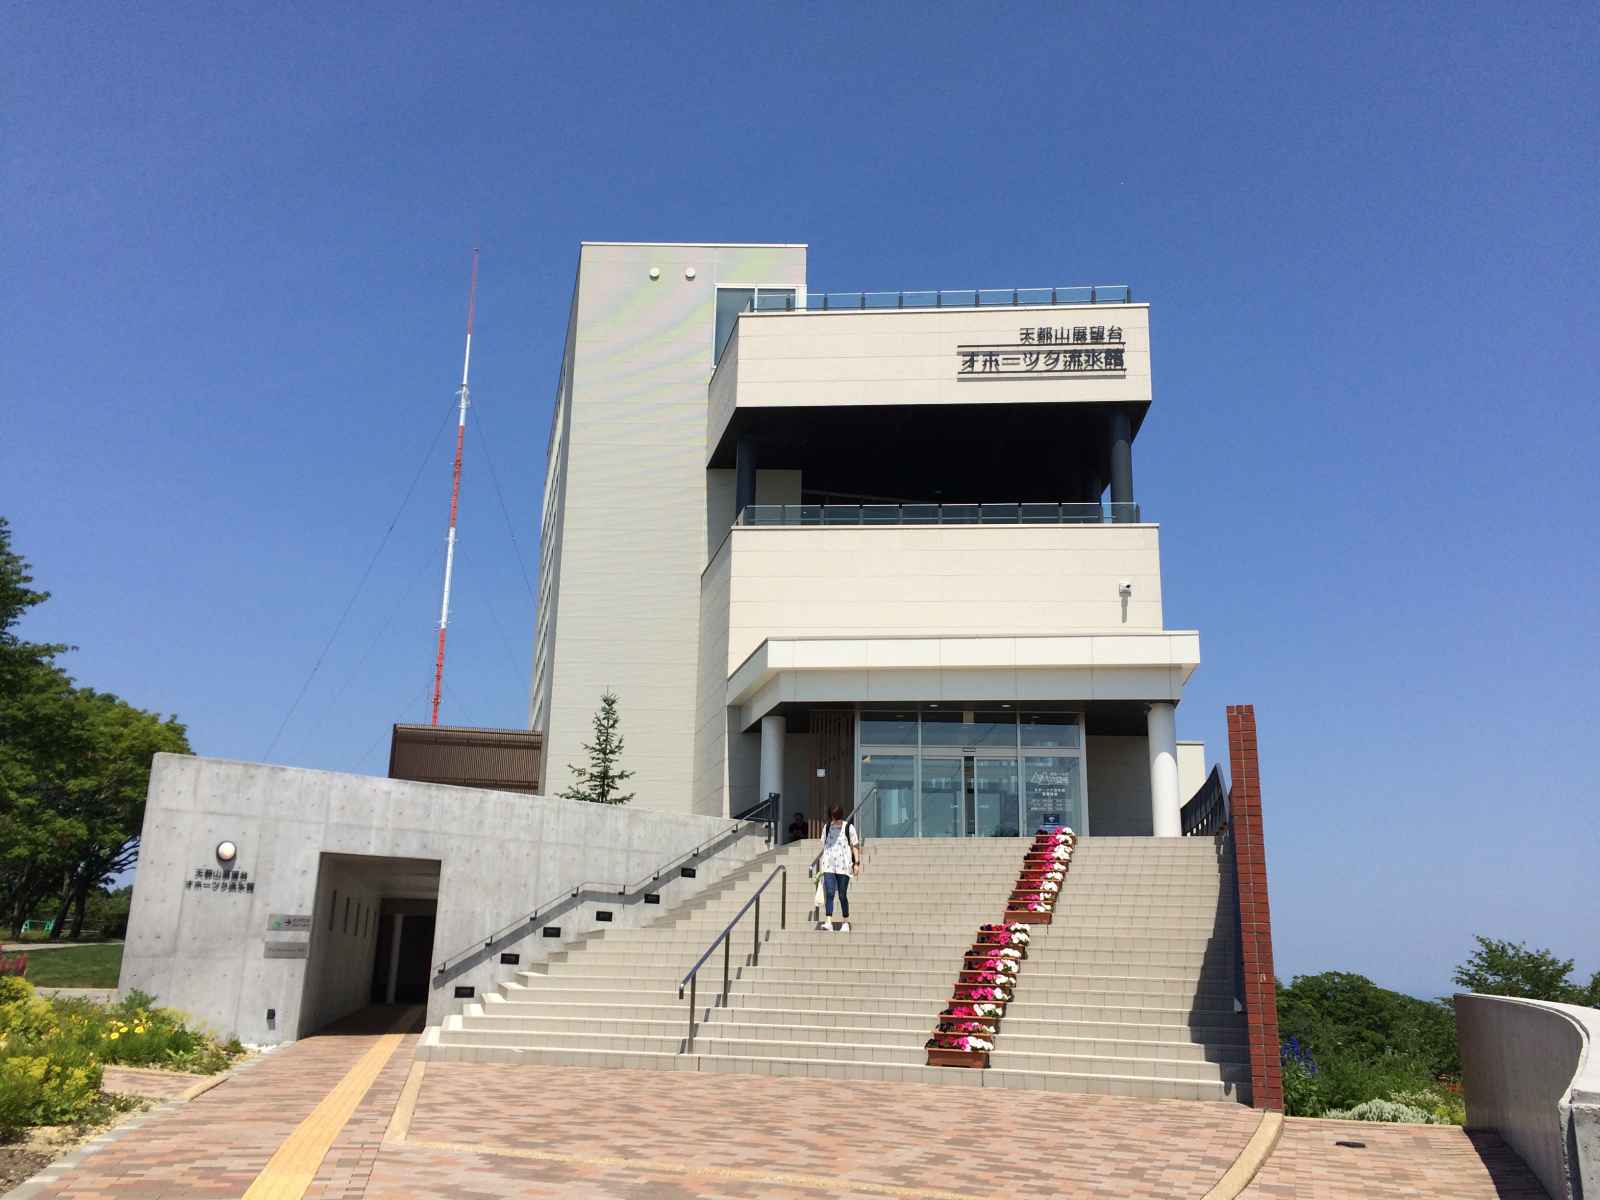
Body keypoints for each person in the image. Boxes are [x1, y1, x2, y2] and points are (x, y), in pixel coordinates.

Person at [817, 803, 860, 932]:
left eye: (836, 818)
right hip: (829, 865)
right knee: (830, 893)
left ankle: (845, 921)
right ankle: (828, 921)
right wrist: (822, 864)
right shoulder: (827, 827)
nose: (834, 820)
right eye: (832, 818)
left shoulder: (848, 828)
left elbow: (855, 846)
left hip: (844, 866)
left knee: (842, 895)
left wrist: (856, 863)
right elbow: (825, 847)